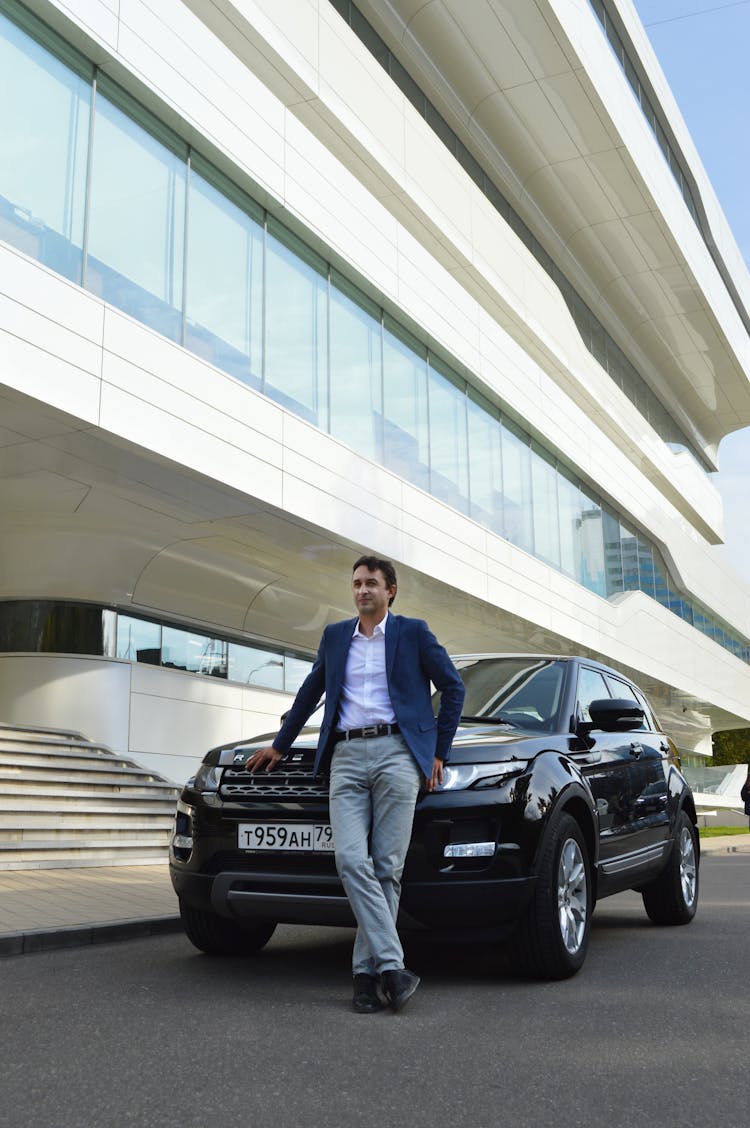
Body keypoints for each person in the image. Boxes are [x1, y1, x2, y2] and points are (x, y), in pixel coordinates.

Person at [246, 553, 465, 1013]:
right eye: (357, 583)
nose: (363, 590)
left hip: (398, 756)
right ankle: (392, 968)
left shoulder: (414, 633)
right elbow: (310, 692)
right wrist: (280, 745)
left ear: (391, 591)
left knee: (387, 868)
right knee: (350, 859)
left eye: (372, 583)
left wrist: (437, 751)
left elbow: (453, 687)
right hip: (345, 756)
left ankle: (365, 979)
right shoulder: (335, 636)